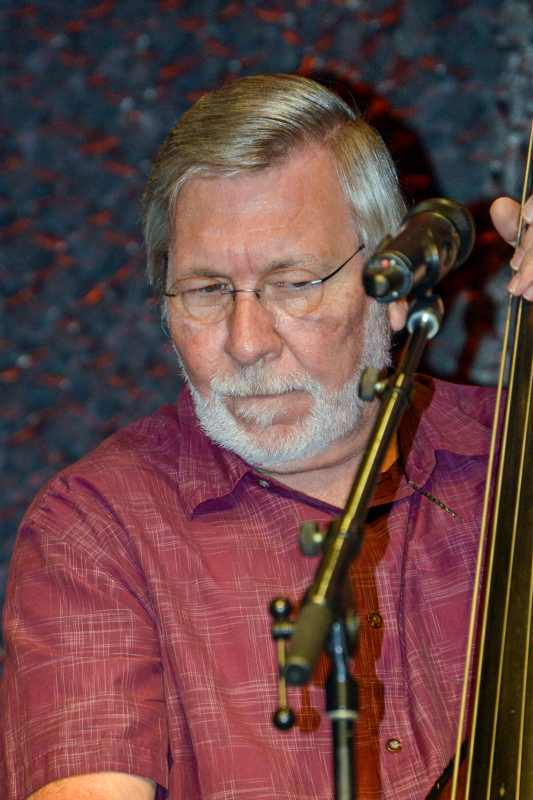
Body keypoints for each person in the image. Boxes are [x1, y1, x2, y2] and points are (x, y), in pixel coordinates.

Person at [1, 73, 533, 800]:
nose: (247, 343)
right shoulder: (96, 529)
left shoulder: (516, 454)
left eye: (294, 282)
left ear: (399, 288)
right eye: (208, 289)